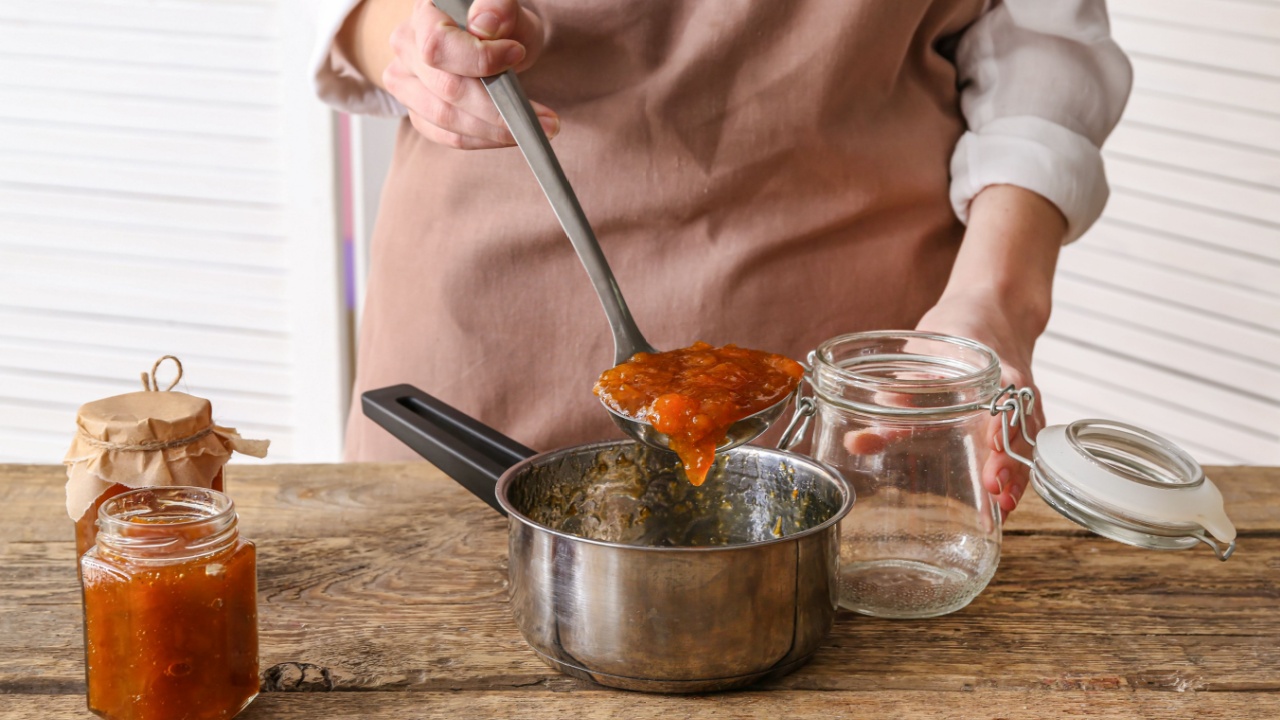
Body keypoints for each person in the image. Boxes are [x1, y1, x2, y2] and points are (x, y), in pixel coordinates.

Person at [313, 0, 1132, 517]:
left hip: (861, 375)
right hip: (485, 325)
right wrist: (408, 35)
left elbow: (1042, 41)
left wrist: (994, 299)